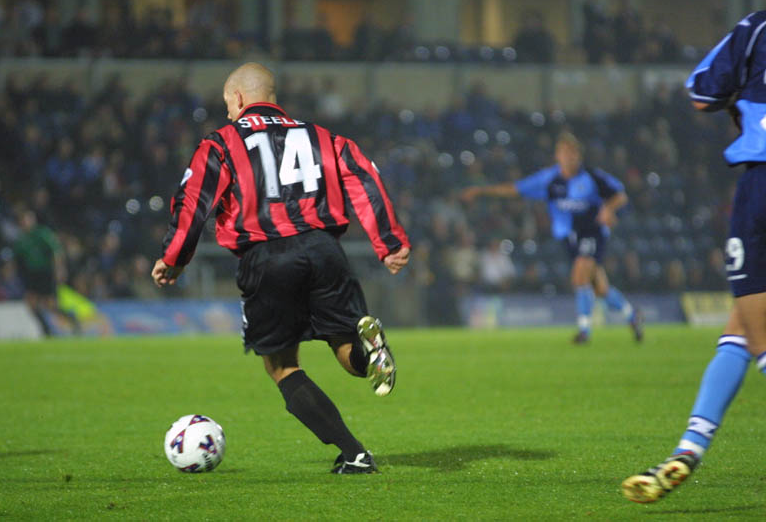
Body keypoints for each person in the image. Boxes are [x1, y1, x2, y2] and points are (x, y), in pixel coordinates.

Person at [151, 63, 411, 474]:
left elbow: (193, 200)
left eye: (226, 105)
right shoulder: (324, 137)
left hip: (269, 257)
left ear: (237, 98)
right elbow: (366, 179)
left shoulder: (221, 142)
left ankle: (355, 454)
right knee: (345, 348)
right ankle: (369, 352)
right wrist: (389, 243)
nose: (228, 113)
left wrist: (174, 257)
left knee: (282, 366)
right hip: (326, 250)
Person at [622, 11, 766, 503]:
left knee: (759, 334)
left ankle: (689, 450)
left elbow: (703, 90)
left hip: (761, 182)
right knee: (743, 328)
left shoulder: (757, 28)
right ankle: (688, 450)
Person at [461, 132, 642, 344]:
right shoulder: (549, 179)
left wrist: (608, 209)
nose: (569, 157)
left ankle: (584, 331)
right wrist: (481, 191)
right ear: (557, 156)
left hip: (592, 233)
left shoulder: (593, 177)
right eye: (564, 152)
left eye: (573, 152)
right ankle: (632, 316)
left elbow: (620, 195)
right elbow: (514, 189)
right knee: (600, 289)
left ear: (579, 156)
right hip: (569, 238)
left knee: (579, 275)